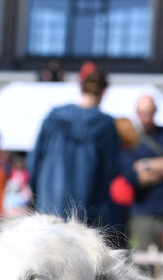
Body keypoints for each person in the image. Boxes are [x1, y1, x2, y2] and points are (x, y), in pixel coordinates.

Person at [28, 64, 123, 242]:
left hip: (48, 208)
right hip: (88, 212)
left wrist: (34, 195)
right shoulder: (105, 125)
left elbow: (34, 162)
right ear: (103, 92)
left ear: (81, 87)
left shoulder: (54, 117)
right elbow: (112, 169)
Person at [121, 94, 163, 250]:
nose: (145, 118)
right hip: (144, 213)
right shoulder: (131, 140)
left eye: (149, 113)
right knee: (142, 263)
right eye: (142, 113)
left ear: (155, 111)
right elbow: (135, 177)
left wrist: (146, 164)